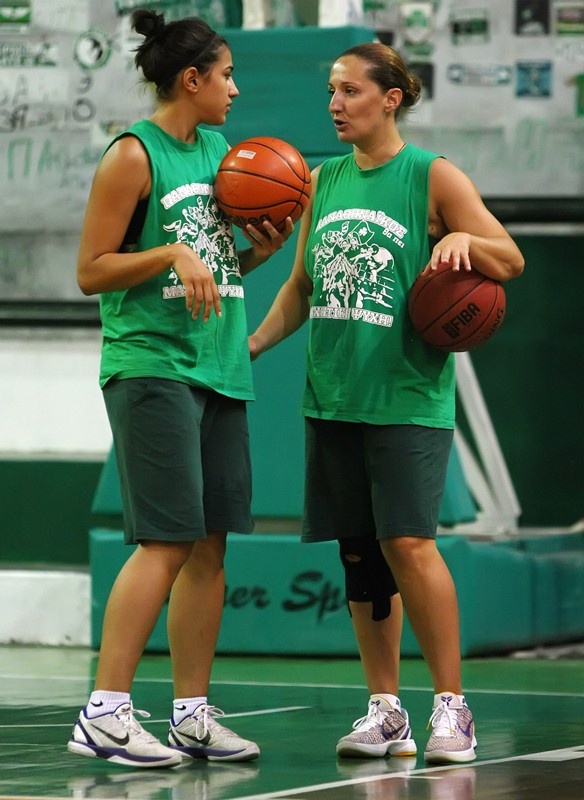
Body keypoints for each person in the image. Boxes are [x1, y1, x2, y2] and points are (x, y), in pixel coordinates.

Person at [249, 42, 524, 764]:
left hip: (406, 397)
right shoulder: (322, 179)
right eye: (331, 92)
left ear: (390, 98)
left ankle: (453, 710)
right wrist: (250, 345)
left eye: (349, 91)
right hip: (332, 397)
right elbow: (301, 290)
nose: (335, 104)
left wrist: (463, 234)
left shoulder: (431, 175)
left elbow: (510, 259)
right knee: (361, 559)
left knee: (409, 544)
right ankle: (385, 710)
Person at [68, 8, 292, 769]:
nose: (235, 87)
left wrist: (254, 254)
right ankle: (104, 711)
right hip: (152, 365)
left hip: (221, 364)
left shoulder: (225, 153)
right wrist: (168, 253)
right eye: (225, 75)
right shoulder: (134, 155)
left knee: (209, 550)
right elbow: (92, 269)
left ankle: (192, 715)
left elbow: (214, 267)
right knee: (164, 542)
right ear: (190, 79)